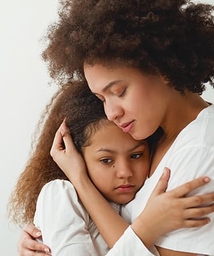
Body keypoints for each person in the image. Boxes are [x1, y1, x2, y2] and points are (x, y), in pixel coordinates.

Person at [19, 0, 214, 255]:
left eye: (119, 92)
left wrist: (82, 184)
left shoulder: (201, 148)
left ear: (163, 69)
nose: (111, 113)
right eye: (102, 99)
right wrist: (51, 233)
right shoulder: (151, 136)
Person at [9, 81, 213, 256]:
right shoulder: (60, 195)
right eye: (106, 160)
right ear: (77, 158)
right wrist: (147, 227)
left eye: (136, 155)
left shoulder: (131, 199)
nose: (125, 172)